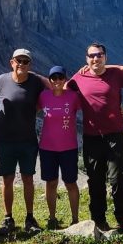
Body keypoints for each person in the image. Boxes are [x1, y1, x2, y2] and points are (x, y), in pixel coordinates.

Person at [66, 42, 123, 234]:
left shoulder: (116, 74)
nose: (95, 58)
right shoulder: (79, 77)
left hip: (115, 134)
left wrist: (119, 67)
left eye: (99, 55)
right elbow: (63, 92)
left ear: (105, 57)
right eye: (91, 56)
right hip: (92, 136)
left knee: (118, 178)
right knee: (95, 179)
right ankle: (98, 219)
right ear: (86, 58)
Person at [0, 48, 48, 235]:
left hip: (27, 140)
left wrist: (35, 74)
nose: (21, 64)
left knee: (28, 178)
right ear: (11, 61)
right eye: (18, 60)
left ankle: (30, 217)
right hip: (5, 139)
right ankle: (8, 217)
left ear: (30, 64)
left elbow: (54, 87)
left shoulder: (35, 81)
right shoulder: (1, 80)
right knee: (7, 179)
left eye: (25, 61)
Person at [38, 65, 81, 229]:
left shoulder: (73, 97)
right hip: (47, 147)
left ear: (65, 79)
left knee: (71, 183)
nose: (57, 81)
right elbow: (30, 110)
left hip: (69, 147)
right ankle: (52, 218)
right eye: (53, 78)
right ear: (49, 80)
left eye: (60, 78)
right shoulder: (43, 96)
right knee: (51, 183)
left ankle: (75, 219)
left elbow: (92, 107)